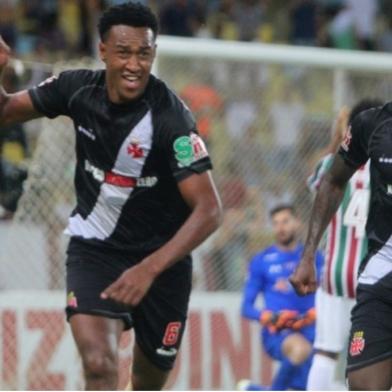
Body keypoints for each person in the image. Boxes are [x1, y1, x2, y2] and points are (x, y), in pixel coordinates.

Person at [0, 2, 222, 390]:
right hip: (95, 250)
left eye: (144, 53)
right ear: (103, 51)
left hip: (162, 267)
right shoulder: (76, 88)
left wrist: (148, 269)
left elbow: (209, 210)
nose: (134, 64)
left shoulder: (172, 118)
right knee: (99, 365)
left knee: (147, 384)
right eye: (124, 52)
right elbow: (5, 111)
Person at [288, 98, 392, 390]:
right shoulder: (373, 129)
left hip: (336, 271)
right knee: (361, 381)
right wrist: (307, 256)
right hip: (376, 275)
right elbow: (332, 181)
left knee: (326, 352)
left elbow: (319, 179)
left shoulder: (334, 159)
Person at [239, 205, 324, 390]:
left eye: (285, 221)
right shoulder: (261, 261)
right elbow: (246, 307)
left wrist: (316, 313)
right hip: (278, 332)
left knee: (307, 386)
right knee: (299, 350)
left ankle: (252, 389)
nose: (281, 227)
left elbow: (329, 293)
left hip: (312, 330)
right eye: (275, 223)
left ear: (298, 223)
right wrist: (270, 317)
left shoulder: (314, 258)